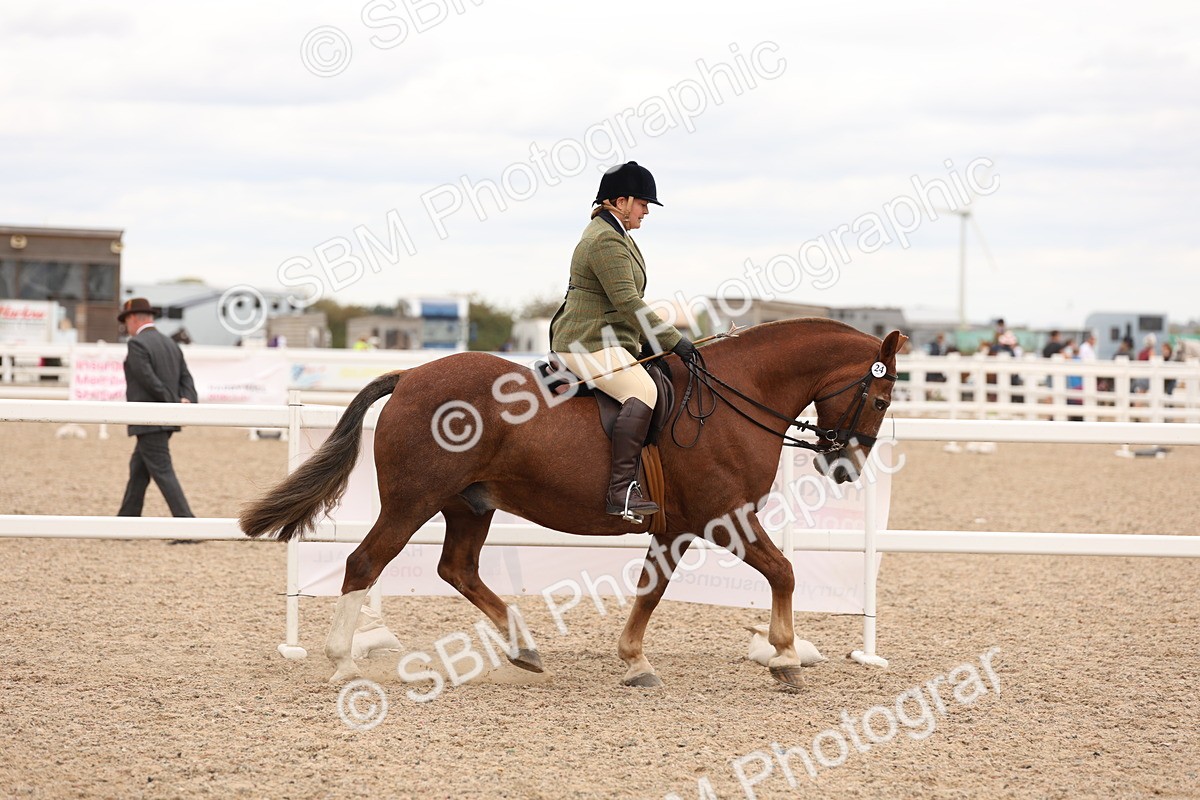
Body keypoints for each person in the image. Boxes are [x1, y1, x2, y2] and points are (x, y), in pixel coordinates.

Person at [549, 161, 697, 520]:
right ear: (621, 200)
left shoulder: (619, 237)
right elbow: (627, 302)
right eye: (643, 203)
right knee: (643, 392)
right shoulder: (604, 240)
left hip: (609, 338)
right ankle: (621, 491)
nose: (646, 211)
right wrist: (674, 339)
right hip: (585, 342)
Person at [116, 298, 198, 518]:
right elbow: (186, 378)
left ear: (133, 319)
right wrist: (186, 401)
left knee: (162, 471)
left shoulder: (137, 344)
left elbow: (149, 381)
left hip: (149, 419)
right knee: (139, 471)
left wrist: (172, 404)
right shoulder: (170, 344)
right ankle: (126, 521)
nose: (126, 328)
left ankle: (188, 525)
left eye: (126, 322)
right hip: (165, 419)